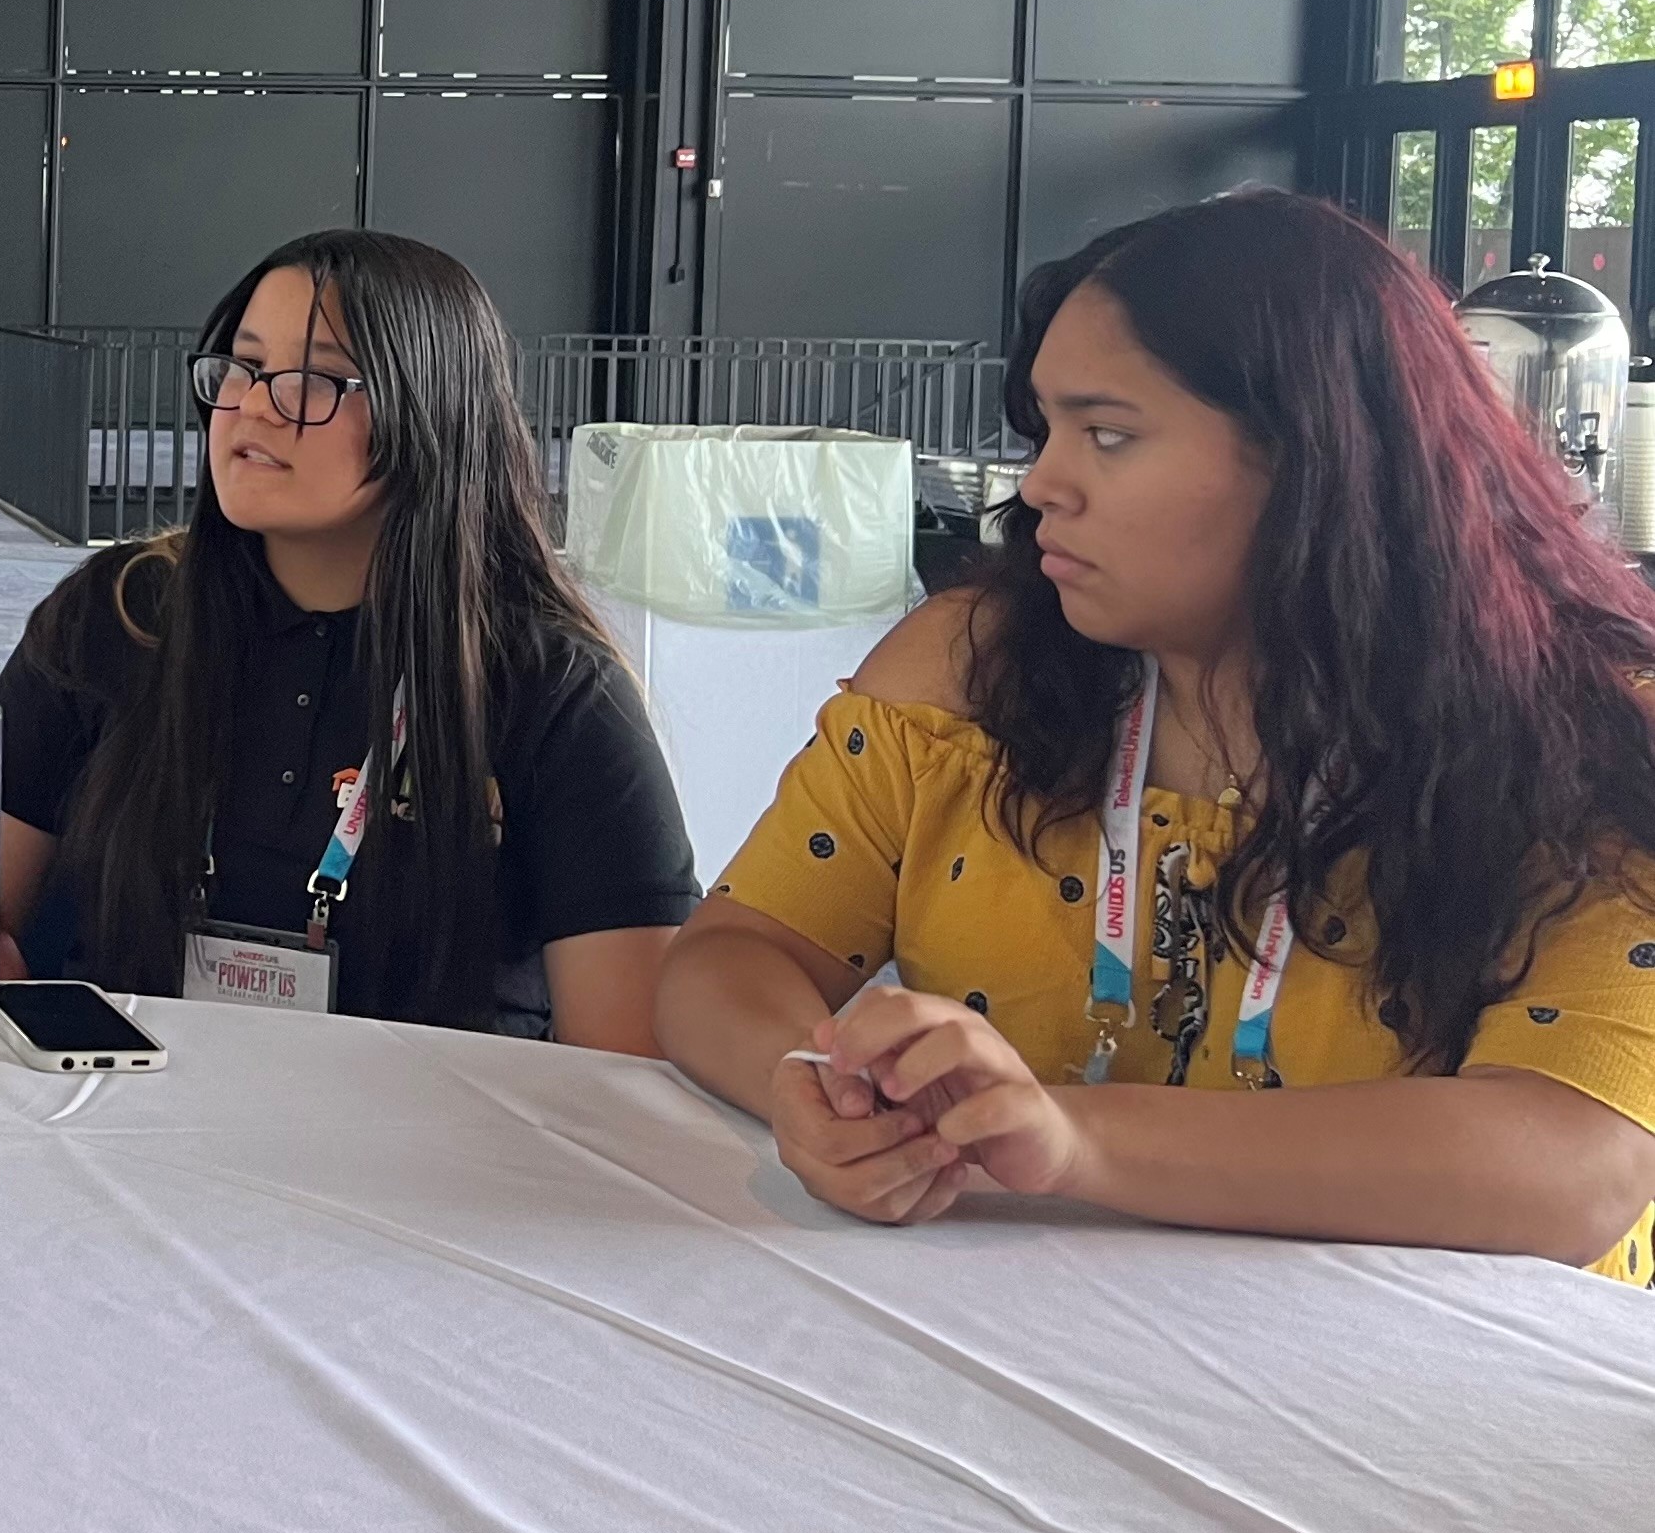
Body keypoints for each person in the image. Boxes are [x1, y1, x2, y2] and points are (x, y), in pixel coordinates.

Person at [653, 189, 1655, 1285]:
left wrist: (1074, 1138)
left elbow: (1569, 1162)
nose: (1040, 486)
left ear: (1318, 457)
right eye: (1044, 430)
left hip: (1432, 1395)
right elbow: (729, 953)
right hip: (1026, 1339)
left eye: (1109, 435)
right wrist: (810, 1085)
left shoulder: (1589, 739)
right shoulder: (963, 676)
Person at [0, 229, 697, 1049]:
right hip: (117, 1132)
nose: (252, 406)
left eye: (314, 380)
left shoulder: (547, 687)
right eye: (244, 367)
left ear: (428, 412)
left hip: (424, 1159)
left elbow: (623, 1067)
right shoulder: (120, 617)